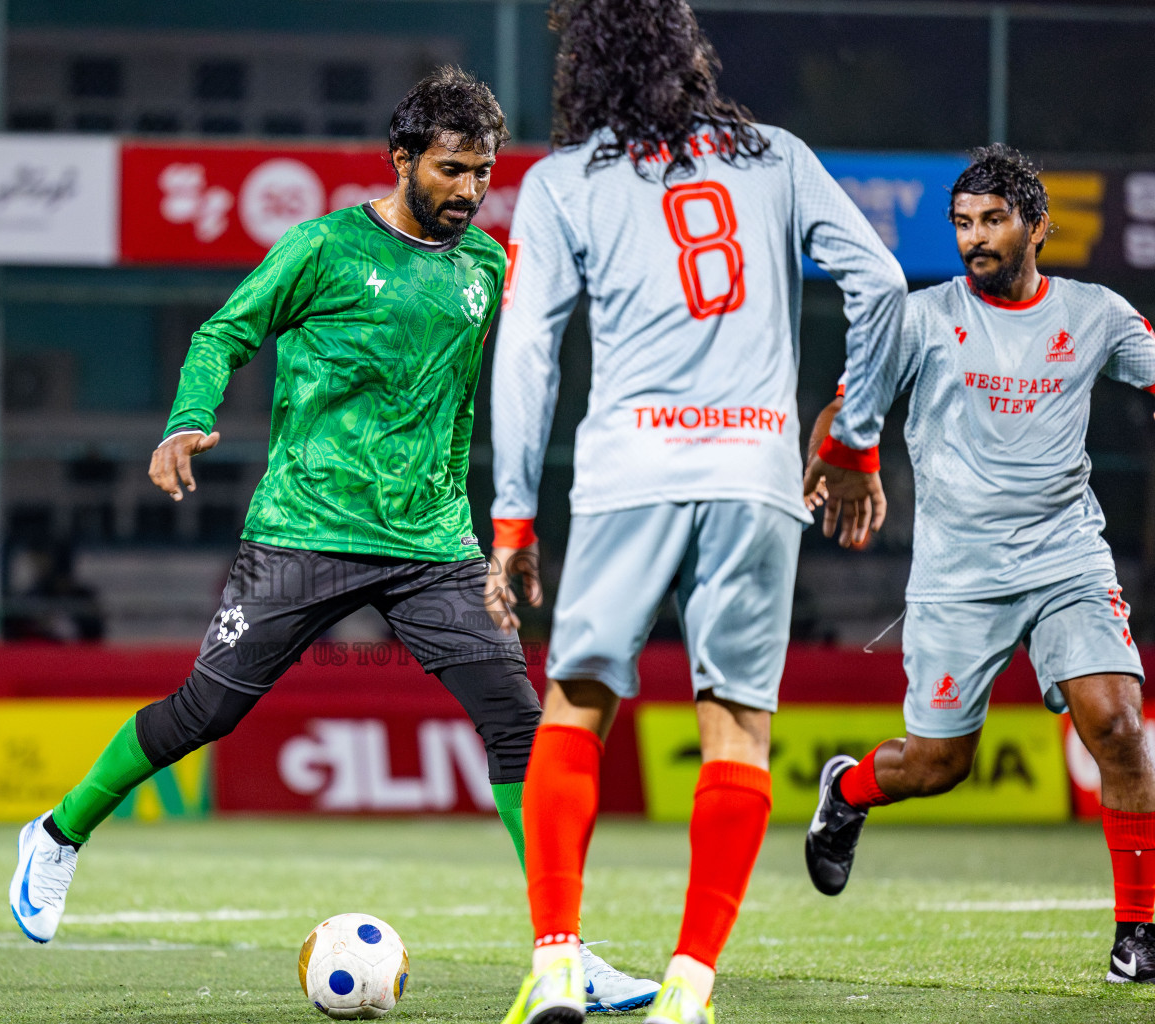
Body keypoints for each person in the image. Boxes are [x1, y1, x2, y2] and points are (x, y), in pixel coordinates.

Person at [7, 66, 655, 1008]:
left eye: (483, 170)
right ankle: (58, 834)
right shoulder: (321, 248)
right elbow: (224, 334)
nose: (472, 190)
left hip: (434, 544)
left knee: (521, 727)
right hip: (303, 529)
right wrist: (186, 418)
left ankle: (563, 952)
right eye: (451, 169)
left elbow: (525, 372)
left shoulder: (488, 266)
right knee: (206, 713)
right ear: (401, 160)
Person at [486, 2, 906, 1021]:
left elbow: (528, 353)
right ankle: (689, 984)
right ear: (692, 59)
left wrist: (511, 517)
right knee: (737, 728)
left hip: (629, 465)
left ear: (583, 67)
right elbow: (884, 285)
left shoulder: (560, 184)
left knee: (576, 704)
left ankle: (554, 963)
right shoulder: (778, 160)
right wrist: (851, 437)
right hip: (755, 466)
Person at [803, 143, 1155, 986]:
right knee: (936, 767)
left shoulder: (1094, 313)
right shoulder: (922, 318)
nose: (974, 238)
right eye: (962, 223)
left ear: (1037, 225)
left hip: (1066, 555)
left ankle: (1138, 933)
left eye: (992, 220)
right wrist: (838, 455)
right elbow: (845, 412)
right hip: (959, 577)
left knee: (1119, 726)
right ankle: (847, 795)